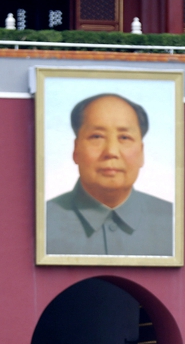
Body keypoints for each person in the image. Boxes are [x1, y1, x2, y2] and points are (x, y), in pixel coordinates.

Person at [44, 94, 173, 257]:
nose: (111, 152)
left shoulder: (174, 223)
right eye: (97, 136)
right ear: (76, 150)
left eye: (124, 138)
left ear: (141, 152)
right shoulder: (42, 222)